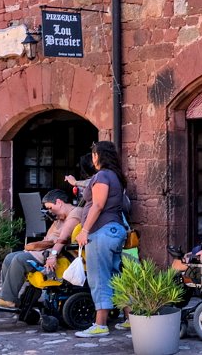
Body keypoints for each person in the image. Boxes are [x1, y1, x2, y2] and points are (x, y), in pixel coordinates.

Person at [0, 188, 78, 311]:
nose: (50, 212)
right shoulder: (60, 218)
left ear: (59, 202)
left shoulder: (75, 213)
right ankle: (7, 298)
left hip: (60, 254)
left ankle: (7, 300)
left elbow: (62, 239)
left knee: (19, 260)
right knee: (9, 258)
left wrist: (53, 255)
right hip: (46, 251)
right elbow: (48, 238)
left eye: (50, 208)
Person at [74, 140, 132, 337]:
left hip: (102, 233)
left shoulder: (102, 176)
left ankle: (100, 324)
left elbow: (98, 205)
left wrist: (85, 230)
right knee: (116, 277)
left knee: (99, 277)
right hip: (114, 231)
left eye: (93, 154)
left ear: (97, 156)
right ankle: (131, 318)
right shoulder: (115, 176)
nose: (92, 158)